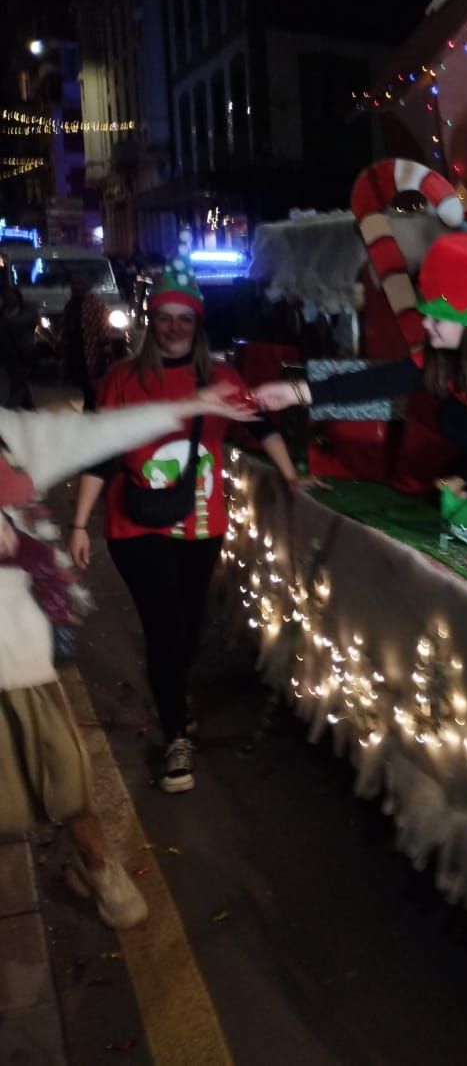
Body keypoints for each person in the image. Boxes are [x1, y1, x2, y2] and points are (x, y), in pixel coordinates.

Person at [3, 390, 254, 926]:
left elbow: (95, 435)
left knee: (65, 777)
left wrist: (190, 404)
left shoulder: (8, 434)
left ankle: (97, 867)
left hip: (16, 658)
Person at [69, 263, 305, 795]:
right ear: (151, 321)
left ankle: (173, 694)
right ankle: (176, 735)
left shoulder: (221, 378)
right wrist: (80, 523)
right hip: (134, 524)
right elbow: (102, 457)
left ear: (198, 325)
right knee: (164, 624)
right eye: (165, 317)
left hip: (200, 524)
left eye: (185, 318)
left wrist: (292, 478)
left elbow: (261, 425)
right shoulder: (121, 381)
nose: (175, 327)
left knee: (190, 622)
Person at [256, 234, 467, 517]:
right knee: (451, 415)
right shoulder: (440, 358)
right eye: (426, 316)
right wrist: (295, 393)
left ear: (465, 319)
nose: (426, 326)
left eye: (437, 319)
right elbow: (376, 381)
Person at [61, 268, 114, 410]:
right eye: (74, 284)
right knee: (84, 384)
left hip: (91, 352)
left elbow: (103, 329)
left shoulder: (95, 305)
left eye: (79, 284)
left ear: (87, 286)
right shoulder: (71, 305)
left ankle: (91, 410)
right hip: (77, 349)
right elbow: (67, 328)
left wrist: (104, 353)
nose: (75, 287)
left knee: (92, 386)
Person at [1, 278, 36, 409]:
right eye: (7, 297)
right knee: (19, 385)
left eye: (12, 296)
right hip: (7, 357)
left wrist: (6, 321)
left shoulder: (26, 312)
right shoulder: (4, 313)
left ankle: (11, 412)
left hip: (23, 355)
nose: (9, 299)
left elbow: (22, 323)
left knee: (18, 385)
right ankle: (30, 410)